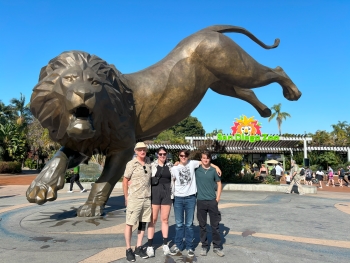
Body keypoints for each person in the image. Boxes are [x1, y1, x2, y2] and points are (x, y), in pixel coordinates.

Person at [169, 149, 221, 258]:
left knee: (189, 225)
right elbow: (170, 181)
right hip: (178, 198)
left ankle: (189, 247)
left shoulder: (192, 164)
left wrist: (216, 166)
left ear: (188, 156)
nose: (184, 157)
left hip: (190, 198)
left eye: (186, 155)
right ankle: (178, 245)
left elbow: (205, 162)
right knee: (179, 224)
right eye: (181, 155)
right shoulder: (174, 168)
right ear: (179, 156)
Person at [123, 142, 152, 262]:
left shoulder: (149, 162)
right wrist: (126, 197)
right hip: (135, 198)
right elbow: (125, 180)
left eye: (144, 149)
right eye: (139, 149)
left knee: (143, 223)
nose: (142, 151)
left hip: (147, 198)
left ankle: (138, 246)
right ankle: (128, 249)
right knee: (130, 223)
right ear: (135, 151)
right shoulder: (131, 164)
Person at [146, 147, 174, 257]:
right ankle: (149, 246)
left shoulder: (171, 166)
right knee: (153, 219)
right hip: (155, 192)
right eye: (160, 154)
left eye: (164, 154)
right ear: (157, 154)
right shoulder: (152, 165)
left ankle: (165, 244)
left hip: (167, 193)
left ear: (167, 154)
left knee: (165, 219)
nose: (162, 156)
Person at [196, 151, 224, 257]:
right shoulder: (196, 169)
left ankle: (217, 247)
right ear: (201, 159)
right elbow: (187, 162)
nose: (205, 160)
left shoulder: (213, 171)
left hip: (212, 201)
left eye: (207, 158)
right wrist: (176, 163)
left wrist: (218, 198)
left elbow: (219, 183)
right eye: (203, 158)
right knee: (202, 226)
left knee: (215, 226)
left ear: (210, 159)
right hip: (201, 201)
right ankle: (204, 246)